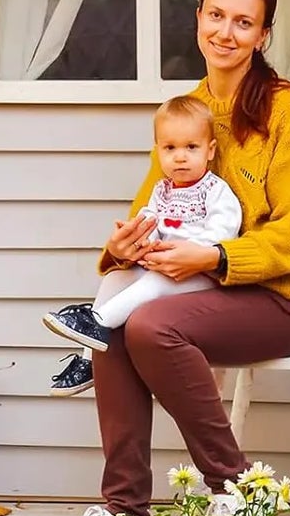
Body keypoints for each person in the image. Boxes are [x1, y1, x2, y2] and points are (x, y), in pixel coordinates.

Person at [43, 0, 290, 516]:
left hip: (287, 299)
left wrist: (216, 255)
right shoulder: (187, 112)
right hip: (208, 289)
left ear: (263, 35)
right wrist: (124, 248)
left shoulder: (286, 111)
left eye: (244, 22)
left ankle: (236, 490)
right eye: (217, 15)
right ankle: (124, 512)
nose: (227, 32)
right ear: (198, 18)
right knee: (117, 326)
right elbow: (150, 209)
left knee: (151, 323)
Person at [45, 93, 242, 363]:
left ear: (210, 150)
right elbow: (151, 221)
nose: (180, 157)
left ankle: (99, 321)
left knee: (155, 282)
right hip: (163, 266)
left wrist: (193, 251)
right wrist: (141, 238)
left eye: (191, 147)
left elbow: (224, 230)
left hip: (200, 274)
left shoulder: (215, 190)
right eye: (170, 148)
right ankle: (88, 360)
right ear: (158, 150)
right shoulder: (162, 190)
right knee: (115, 278)